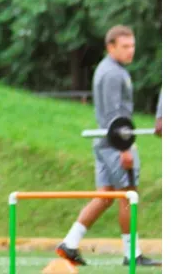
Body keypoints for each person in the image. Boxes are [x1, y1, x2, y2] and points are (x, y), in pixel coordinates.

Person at [56, 25, 161, 267]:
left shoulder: (108, 69)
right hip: (115, 142)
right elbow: (115, 115)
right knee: (129, 195)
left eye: (132, 45)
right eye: (125, 46)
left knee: (104, 196)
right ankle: (132, 253)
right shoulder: (113, 73)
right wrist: (125, 149)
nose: (130, 51)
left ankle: (69, 244)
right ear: (110, 47)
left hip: (104, 141)